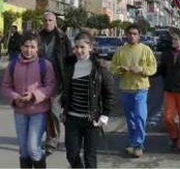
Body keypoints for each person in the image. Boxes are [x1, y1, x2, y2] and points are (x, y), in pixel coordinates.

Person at [61, 32, 116, 168]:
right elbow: (66, 90)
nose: (78, 51)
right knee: (72, 154)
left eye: (82, 47)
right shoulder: (69, 65)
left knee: (90, 156)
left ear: (90, 47)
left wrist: (105, 115)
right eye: (76, 47)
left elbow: (110, 94)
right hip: (72, 118)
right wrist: (64, 109)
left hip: (92, 120)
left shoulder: (100, 67)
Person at [2, 32, 56, 169]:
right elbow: (6, 86)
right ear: (21, 47)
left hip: (38, 111)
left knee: (33, 148)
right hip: (19, 112)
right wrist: (15, 98)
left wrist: (33, 96)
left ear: (38, 48)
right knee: (24, 151)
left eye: (32, 47)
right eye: (26, 46)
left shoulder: (45, 65)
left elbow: (51, 86)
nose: (29, 50)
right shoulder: (13, 65)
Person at [110, 24, 157, 158]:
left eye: (135, 33)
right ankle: (132, 142)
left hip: (140, 89)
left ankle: (138, 145)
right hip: (125, 89)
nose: (132, 36)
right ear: (126, 34)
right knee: (130, 119)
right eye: (130, 33)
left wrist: (141, 70)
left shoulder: (146, 50)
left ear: (139, 35)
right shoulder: (120, 50)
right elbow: (113, 68)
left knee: (140, 117)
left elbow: (153, 68)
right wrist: (121, 69)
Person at [39, 12, 73, 155]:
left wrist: (69, 78)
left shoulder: (62, 38)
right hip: (40, 80)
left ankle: (53, 141)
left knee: (54, 111)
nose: (48, 22)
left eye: (50, 20)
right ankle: (50, 139)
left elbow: (69, 58)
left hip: (58, 80)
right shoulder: (38, 36)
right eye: (45, 20)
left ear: (55, 22)